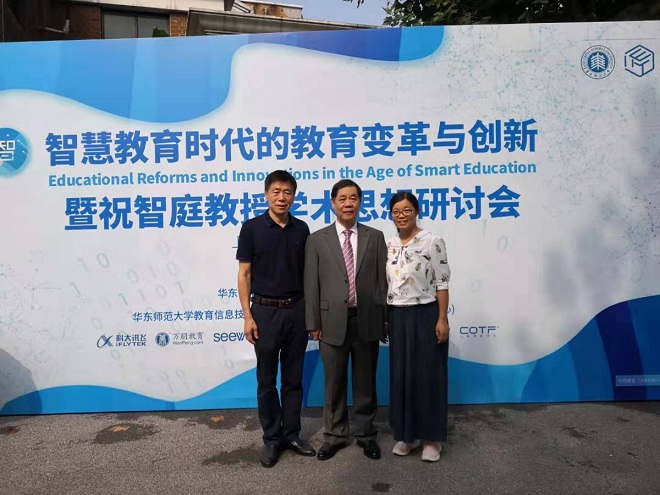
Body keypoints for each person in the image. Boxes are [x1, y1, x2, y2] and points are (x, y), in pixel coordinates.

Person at [304, 179, 388, 461]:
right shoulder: (317, 239)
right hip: (330, 322)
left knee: (366, 382)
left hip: (367, 320)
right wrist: (313, 323)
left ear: (360, 202)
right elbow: (311, 283)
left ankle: (366, 434)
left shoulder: (375, 237)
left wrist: (384, 320)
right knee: (334, 384)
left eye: (353, 198)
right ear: (332, 203)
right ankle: (335, 435)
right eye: (342, 198)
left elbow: (382, 282)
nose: (348, 203)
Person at [237, 170, 316, 468]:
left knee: (294, 379)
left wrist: (311, 316)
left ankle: (292, 434)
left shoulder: (302, 229)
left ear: (294, 196)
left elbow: (309, 275)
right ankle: (271, 438)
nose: (282, 197)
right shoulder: (252, 228)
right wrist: (248, 316)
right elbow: (244, 274)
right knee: (267, 380)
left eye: (288, 192)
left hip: (296, 310)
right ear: (266, 194)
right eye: (276, 191)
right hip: (265, 312)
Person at [385, 191, 451, 462]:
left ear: (416, 211)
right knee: (402, 377)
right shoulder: (388, 244)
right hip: (397, 316)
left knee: (428, 376)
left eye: (407, 210)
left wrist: (442, 318)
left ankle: (432, 439)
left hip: (426, 314)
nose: (401, 215)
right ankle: (407, 435)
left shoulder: (432, 241)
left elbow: (442, 283)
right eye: (396, 211)